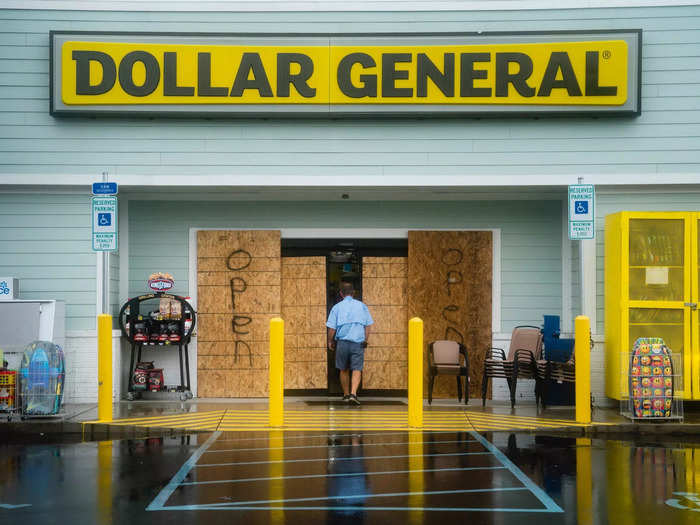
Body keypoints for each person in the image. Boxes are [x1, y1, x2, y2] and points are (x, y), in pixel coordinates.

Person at [326, 282, 373, 405]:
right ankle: (353, 394)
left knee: (343, 369)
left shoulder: (336, 307)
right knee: (357, 368)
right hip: (358, 342)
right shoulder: (362, 306)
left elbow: (331, 328)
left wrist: (330, 341)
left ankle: (346, 395)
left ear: (341, 294)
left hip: (342, 343)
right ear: (354, 293)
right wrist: (365, 340)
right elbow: (368, 326)